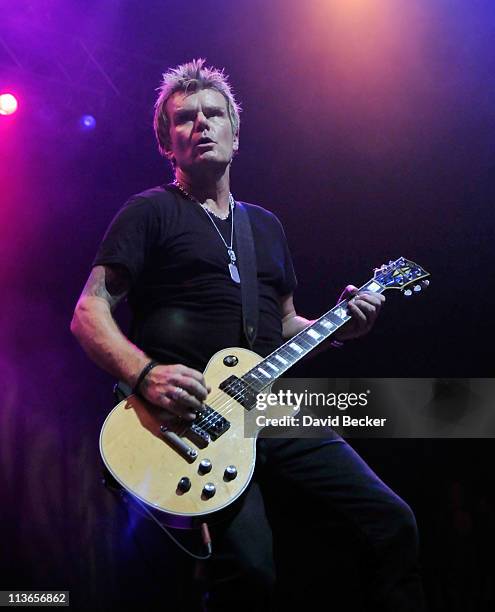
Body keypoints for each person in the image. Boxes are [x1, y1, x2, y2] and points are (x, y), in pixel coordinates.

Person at [71, 59, 426, 611]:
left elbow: (285, 325)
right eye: (185, 119)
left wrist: (339, 324)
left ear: (236, 135)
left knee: (391, 522)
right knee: (251, 576)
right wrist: (145, 374)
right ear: (168, 142)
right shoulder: (149, 213)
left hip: (267, 407)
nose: (201, 125)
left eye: (214, 115)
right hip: (191, 423)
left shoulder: (265, 226)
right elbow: (88, 311)